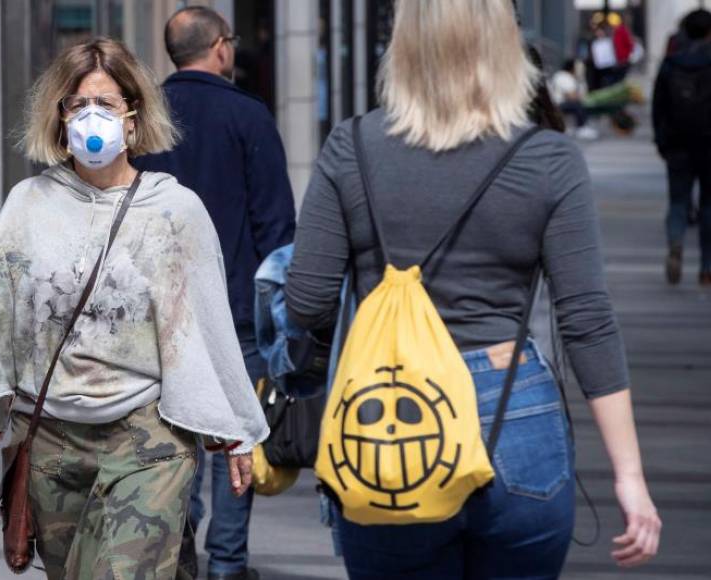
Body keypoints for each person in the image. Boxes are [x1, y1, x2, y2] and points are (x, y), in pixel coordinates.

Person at [285, 0, 661, 577]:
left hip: (389, 416)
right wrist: (629, 478)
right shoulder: (549, 159)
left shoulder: (350, 147)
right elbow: (586, 321)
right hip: (514, 410)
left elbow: (307, 302)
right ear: (504, 45)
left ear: (403, 45)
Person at [0, 37, 269, 580]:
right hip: (50, 442)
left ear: (133, 118)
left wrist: (236, 430)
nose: (92, 117)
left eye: (108, 104)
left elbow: (207, 326)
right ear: (59, 118)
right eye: (77, 104)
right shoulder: (28, 204)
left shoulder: (175, 210)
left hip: (147, 439)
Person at [135, 7, 295, 580]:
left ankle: (179, 555)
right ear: (221, 48)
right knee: (234, 438)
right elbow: (277, 226)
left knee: (172, 434)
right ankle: (227, 563)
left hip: (159, 313)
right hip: (235, 310)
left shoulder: (146, 119)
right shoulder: (247, 117)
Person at [653, 8, 711, 287]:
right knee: (709, 205)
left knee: (677, 202)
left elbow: (658, 108)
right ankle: (706, 267)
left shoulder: (670, 63)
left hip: (676, 144)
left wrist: (661, 141)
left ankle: (675, 243)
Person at [550, 58, 598, 140]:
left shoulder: (570, 77)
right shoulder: (563, 76)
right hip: (558, 104)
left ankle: (580, 127)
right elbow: (572, 96)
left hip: (561, 103)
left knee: (580, 103)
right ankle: (581, 128)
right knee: (578, 104)